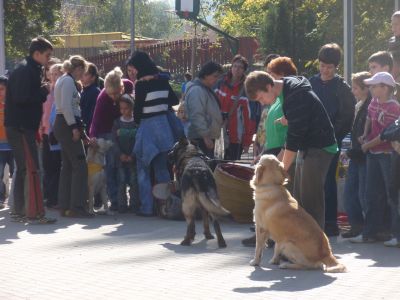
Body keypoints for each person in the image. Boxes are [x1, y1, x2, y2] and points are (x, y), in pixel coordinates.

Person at [245, 71, 337, 229]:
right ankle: (301, 245)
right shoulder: (285, 90)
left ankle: (314, 249)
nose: (262, 103)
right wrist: (279, 160)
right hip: (308, 147)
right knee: (299, 199)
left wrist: (278, 174)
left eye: (261, 98)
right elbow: (292, 137)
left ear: (269, 86)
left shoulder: (294, 97)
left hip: (319, 147)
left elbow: (293, 142)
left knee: (310, 202)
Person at [4, 36, 56, 224]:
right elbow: (21, 98)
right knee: (31, 168)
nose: (49, 59)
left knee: (26, 169)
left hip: (21, 126)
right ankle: (31, 212)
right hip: (21, 127)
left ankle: (22, 211)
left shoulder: (28, 68)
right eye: (47, 55)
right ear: (37, 53)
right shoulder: (26, 70)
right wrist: (43, 92)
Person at [309, 43, 356, 236]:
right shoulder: (311, 83)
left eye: (329, 67)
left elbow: (346, 117)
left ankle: (329, 222)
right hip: (311, 141)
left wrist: (333, 136)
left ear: (336, 67)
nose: (325, 70)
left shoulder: (342, 88)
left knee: (328, 181)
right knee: (311, 182)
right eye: (322, 65)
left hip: (331, 143)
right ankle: (311, 220)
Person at [350, 72, 400, 243]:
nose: (370, 88)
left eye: (374, 86)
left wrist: (366, 145)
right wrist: (365, 135)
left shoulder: (394, 107)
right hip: (373, 154)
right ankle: (369, 233)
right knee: (371, 194)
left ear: (385, 88)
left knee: (392, 195)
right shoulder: (373, 101)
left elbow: (386, 135)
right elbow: (369, 119)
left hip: (387, 155)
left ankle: (396, 234)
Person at [128, 51, 179, 216]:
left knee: (143, 169)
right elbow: (174, 101)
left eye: (133, 68)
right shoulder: (163, 81)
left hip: (147, 129)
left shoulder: (141, 85)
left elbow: (137, 111)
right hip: (164, 128)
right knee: (162, 169)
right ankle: (166, 207)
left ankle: (147, 207)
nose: (133, 72)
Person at [90, 67, 134, 211]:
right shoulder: (102, 98)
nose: (114, 97)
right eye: (111, 94)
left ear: (122, 87)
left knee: (126, 166)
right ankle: (114, 200)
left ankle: (132, 200)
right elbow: (95, 121)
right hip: (106, 130)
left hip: (124, 128)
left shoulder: (129, 85)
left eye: (116, 94)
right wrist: (93, 138)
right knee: (111, 166)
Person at [54, 55, 91, 218]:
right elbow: (67, 107)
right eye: (82, 70)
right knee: (80, 165)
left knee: (68, 166)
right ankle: (77, 206)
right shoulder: (68, 81)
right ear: (77, 68)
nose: (82, 74)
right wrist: (74, 128)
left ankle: (65, 205)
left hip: (63, 124)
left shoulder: (62, 80)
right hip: (68, 124)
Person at [342, 72, 372, 238]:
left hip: (363, 155)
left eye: (355, 88)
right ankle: (357, 226)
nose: (353, 91)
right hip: (356, 154)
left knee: (362, 194)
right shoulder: (360, 105)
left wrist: (351, 151)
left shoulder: (369, 106)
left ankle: (366, 228)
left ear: (365, 89)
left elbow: (365, 135)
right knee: (350, 193)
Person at [215, 55, 252, 160]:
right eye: (234, 66)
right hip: (216, 132)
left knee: (230, 167)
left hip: (235, 138)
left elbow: (248, 119)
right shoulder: (220, 83)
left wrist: (247, 142)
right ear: (231, 67)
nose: (237, 69)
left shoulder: (246, 89)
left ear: (244, 70)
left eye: (240, 67)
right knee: (215, 165)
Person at [185, 61, 224, 158]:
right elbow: (197, 115)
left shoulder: (205, 88)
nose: (217, 79)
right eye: (215, 76)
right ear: (206, 75)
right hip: (200, 139)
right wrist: (205, 136)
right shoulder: (197, 90)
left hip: (205, 137)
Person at [40, 63, 63, 209]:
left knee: (56, 167)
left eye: (57, 73)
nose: (54, 76)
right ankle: (48, 196)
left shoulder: (61, 90)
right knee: (47, 166)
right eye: (52, 73)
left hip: (56, 134)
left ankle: (55, 198)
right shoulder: (46, 90)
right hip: (45, 132)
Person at [112, 94, 139, 213]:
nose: (123, 111)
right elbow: (114, 141)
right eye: (121, 108)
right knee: (121, 180)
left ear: (132, 108)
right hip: (121, 157)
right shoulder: (117, 122)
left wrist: (133, 155)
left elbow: (139, 139)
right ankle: (122, 205)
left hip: (133, 157)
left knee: (134, 181)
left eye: (126, 108)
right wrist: (120, 154)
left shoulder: (136, 122)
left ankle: (134, 204)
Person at [0, 76, 13, 210]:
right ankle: (1, 198)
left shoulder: (13, 104)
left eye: (2, 89)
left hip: (14, 145)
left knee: (16, 172)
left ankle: (15, 200)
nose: (0, 92)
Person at [80, 62, 101, 132]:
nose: (82, 77)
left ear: (93, 77)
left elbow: (93, 114)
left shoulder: (95, 92)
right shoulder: (82, 92)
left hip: (90, 129)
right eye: (81, 74)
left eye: (85, 74)